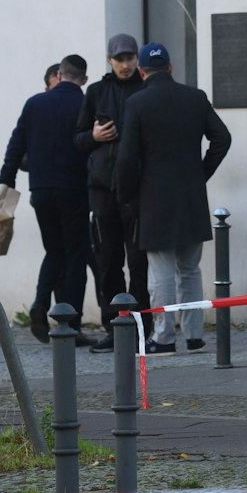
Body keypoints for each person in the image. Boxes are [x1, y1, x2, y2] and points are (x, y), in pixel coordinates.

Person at [115, 42, 231, 354]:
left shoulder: (137, 104)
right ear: (170, 67)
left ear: (141, 71)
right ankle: (194, 335)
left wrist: (126, 195)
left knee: (161, 271)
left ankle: (164, 337)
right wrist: (200, 174)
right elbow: (222, 138)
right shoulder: (195, 97)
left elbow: (126, 159)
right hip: (191, 198)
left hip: (154, 199)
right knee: (190, 270)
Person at [0, 54, 94, 345]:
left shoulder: (34, 104)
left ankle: (40, 303)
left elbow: (15, 147)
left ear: (60, 74)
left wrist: (6, 182)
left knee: (54, 251)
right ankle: (70, 323)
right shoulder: (85, 104)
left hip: (40, 191)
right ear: (84, 80)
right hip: (75, 190)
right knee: (76, 254)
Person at [76, 33, 147, 351]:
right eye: (120, 59)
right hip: (102, 189)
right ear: (109, 60)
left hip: (138, 189)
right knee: (107, 261)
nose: (126, 64)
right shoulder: (96, 92)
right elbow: (76, 141)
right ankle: (114, 326)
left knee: (140, 260)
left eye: (130, 58)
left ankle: (141, 324)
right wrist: (93, 135)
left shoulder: (146, 90)